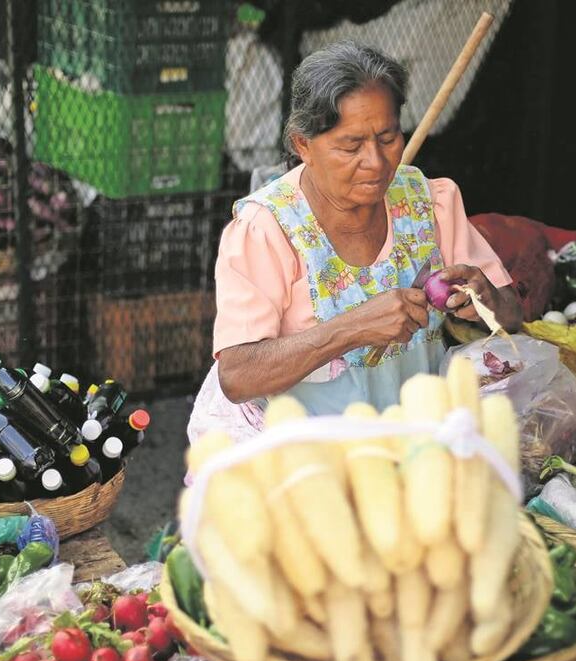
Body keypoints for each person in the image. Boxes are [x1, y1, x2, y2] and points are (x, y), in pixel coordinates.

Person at [188, 41, 521, 442]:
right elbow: (238, 375)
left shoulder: (429, 203)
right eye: (351, 146)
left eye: (388, 138)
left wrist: (486, 302)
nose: (377, 163)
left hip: (417, 439)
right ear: (303, 145)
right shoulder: (267, 229)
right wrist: (354, 328)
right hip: (307, 453)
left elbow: (511, 314)